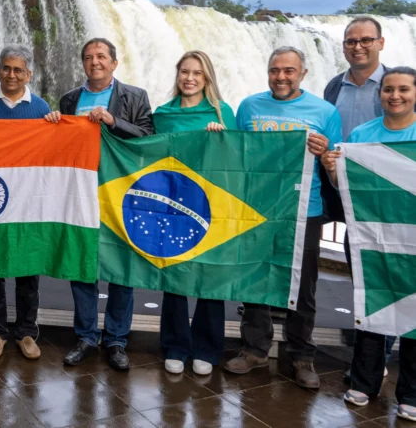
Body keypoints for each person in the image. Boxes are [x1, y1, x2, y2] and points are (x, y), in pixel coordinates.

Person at [226, 46, 341, 389]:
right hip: (258, 210)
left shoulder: (325, 112)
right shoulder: (249, 106)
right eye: (275, 70)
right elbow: (236, 156)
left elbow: (337, 166)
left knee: (302, 287)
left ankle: (302, 356)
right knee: (256, 281)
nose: (281, 77)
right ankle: (255, 349)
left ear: (303, 74)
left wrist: (325, 156)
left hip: (305, 211)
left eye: (289, 71)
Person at [44, 37, 153, 371]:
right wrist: (52, 124)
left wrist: (112, 121)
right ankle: (86, 337)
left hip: (121, 193)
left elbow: (149, 138)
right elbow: (60, 146)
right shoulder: (69, 99)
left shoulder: (134, 97)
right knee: (82, 267)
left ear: (114, 63)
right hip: (82, 192)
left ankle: (117, 340)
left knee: (121, 268)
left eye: (102, 57)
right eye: (89, 57)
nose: (95, 62)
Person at [322, 66, 416, 422]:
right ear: (380, 96)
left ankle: (411, 392)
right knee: (372, 301)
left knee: (415, 311)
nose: (395, 96)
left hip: (413, 237)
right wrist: (333, 169)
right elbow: (342, 184)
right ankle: (364, 381)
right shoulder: (362, 134)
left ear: (415, 93)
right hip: (372, 235)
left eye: (403, 89)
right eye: (388, 90)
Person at [321, 16, 397, 375]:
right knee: (356, 264)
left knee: (381, 268)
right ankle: (369, 339)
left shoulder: (396, 85)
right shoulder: (334, 87)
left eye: (366, 40)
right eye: (351, 41)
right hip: (335, 182)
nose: (358, 46)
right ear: (344, 47)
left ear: (380, 43)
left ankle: (379, 351)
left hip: (380, 193)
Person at [153, 51, 236, 376]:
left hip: (210, 204)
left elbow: (237, 160)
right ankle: (175, 345)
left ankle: (207, 348)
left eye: (196, 74)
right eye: (184, 72)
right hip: (172, 205)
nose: (189, 78)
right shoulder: (162, 115)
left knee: (208, 276)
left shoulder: (221, 112)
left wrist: (222, 139)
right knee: (174, 276)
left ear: (207, 78)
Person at [0, 44, 51, 361]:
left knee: (29, 271)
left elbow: (50, 156)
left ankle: (27, 333)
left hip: (28, 202)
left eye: (17, 69)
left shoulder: (42, 109)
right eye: (6, 68)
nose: (11, 74)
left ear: (28, 74)